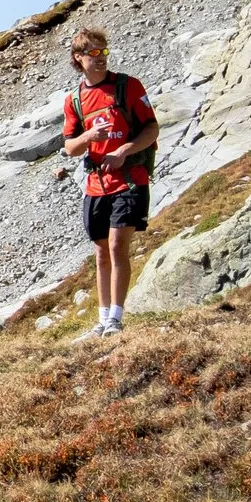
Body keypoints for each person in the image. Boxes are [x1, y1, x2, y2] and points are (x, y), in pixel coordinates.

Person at [60, 27, 158, 335]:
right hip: (95, 185)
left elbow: (152, 128)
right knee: (101, 251)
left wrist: (126, 150)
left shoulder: (128, 86)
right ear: (79, 58)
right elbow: (70, 147)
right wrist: (88, 136)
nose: (101, 59)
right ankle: (102, 320)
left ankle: (116, 317)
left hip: (130, 180)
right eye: (94, 54)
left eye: (104, 52)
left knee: (118, 245)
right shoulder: (74, 100)